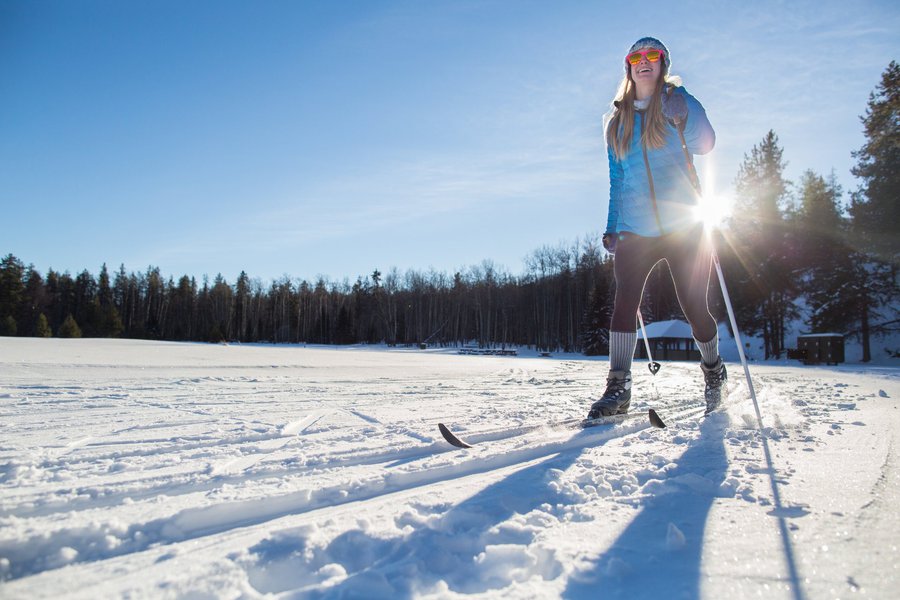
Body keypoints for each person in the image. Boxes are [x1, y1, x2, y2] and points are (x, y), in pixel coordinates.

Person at [588, 36, 726, 419]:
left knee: (694, 305)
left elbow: (706, 145)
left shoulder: (676, 103)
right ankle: (618, 387)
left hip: (684, 225)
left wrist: (686, 114)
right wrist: (613, 225)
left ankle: (713, 370)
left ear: (663, 63)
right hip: (635, 227)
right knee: (624, 304)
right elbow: (617, 179)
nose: (643, 61)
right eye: (636, 56)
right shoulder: (617, 121)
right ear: (628, 67)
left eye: (652, 55)